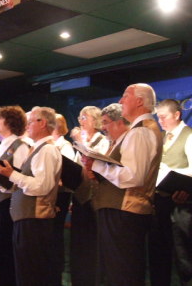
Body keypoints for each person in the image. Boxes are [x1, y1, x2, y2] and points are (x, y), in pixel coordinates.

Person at [83, 83, 162, 286]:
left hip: (125, 211)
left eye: (125, 96)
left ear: (139, 101)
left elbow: (133, 177)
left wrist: (98, 165)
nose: (120, 101)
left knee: (123, 273)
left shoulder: (140, 132)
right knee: (119, 271)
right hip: (121, 210)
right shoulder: (138, 131)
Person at [0, 106, 62, 286]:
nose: (27, 126)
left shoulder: (46, 150)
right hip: (27, 217)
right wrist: (0, 181)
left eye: (30, 122)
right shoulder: (38, 149)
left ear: (42, 123)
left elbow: (41, 186)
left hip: (35, 219)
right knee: (26, 270)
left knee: (33, 272)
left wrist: (11, 174)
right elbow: (24, 185)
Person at [83, 103, 130, 284]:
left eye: (106, 122)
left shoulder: (127, 141)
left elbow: (128, 176)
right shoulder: (114, 143)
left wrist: (96, 166)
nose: (103, 127)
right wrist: (94, 173)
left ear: (119, 122)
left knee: (120, 265)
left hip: (120, 208)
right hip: (105, 205)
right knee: (110, 263)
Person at [0, 105, 29, 286]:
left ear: (9, 122)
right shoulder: (3, 146)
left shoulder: (20, 146)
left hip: (10, 203)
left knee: (8, 248)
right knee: (0, 247)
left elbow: (17, 178)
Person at [152, 99, 192, 286]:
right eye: (158, 117)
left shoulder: (189, 136)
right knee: (158, 254)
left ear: (176, 115)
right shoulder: (161, 137)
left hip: (180, 203)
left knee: (182, 256)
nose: (160, 121)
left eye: (163, 117)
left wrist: (171, 173)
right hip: (158, 201)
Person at [71, 106, 109, 286]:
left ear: (95, 120)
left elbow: (96, 162)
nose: (81, 121)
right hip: (80, 195)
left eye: (84, 117)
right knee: (80, 242)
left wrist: (81, 143)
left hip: (95, 196)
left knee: (93, 241)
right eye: (80, 117)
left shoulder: (103, 141)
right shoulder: (81, 142)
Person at [52, 113, 75, 285]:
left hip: (61, 193)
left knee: (56, 232)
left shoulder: (65, 146)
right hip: (52, 192)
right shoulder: (50, 145)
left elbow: (67, 172)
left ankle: (58, 268)